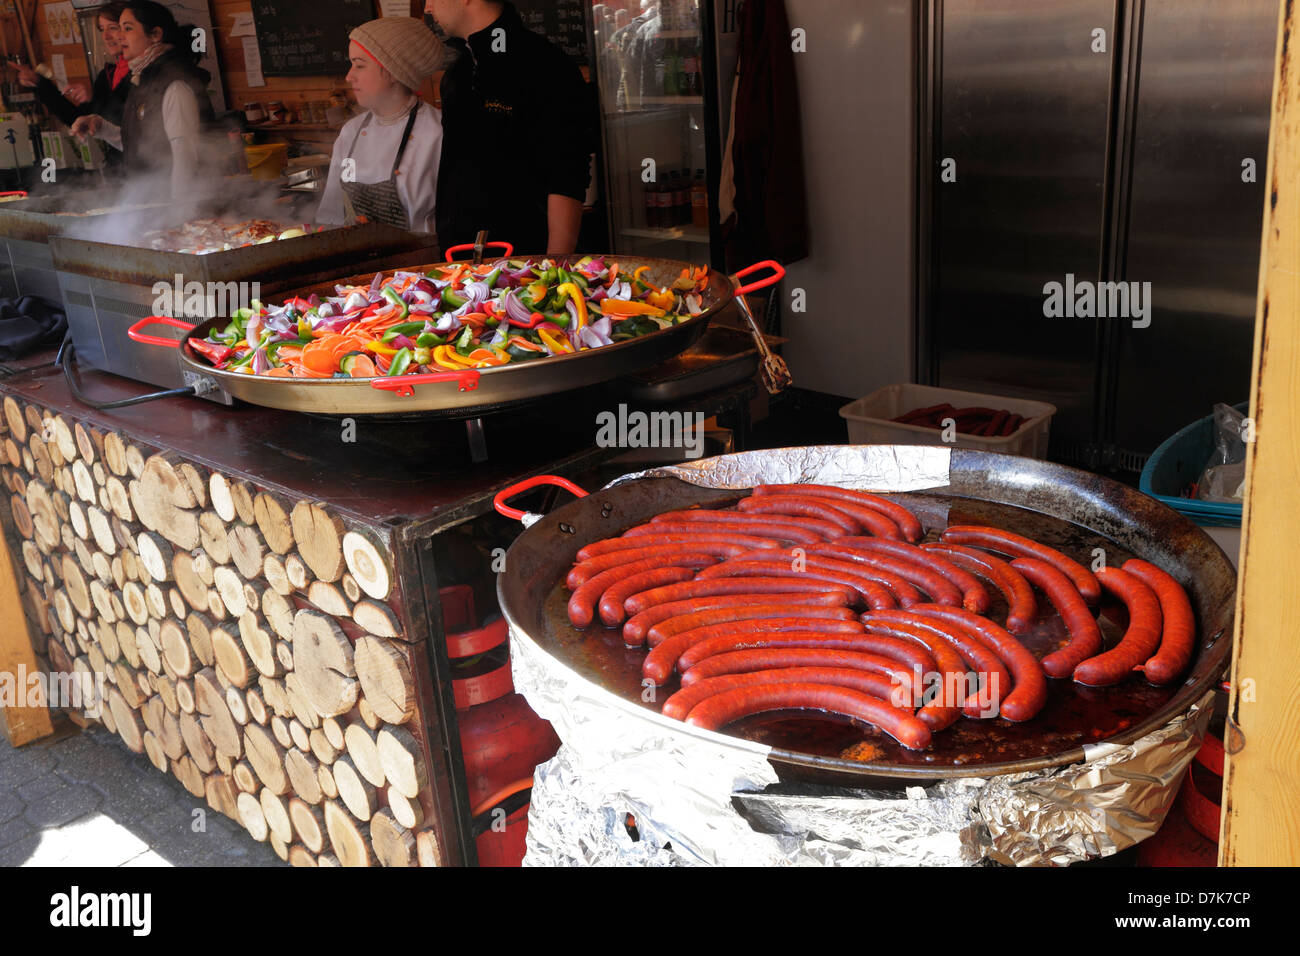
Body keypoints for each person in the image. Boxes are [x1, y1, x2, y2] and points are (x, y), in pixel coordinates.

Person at [426, 0, 594, 254]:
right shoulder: (456, 75)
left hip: (525, 263)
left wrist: (555, 265)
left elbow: (567, 174)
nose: (427, 7)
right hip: (461, 263)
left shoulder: (545, 66)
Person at [70, 1, 214, 200]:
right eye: (119, 28)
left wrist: (179, 215)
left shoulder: (174, 83)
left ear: (155, 34)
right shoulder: (144, 77)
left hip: (177, 207)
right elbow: (144, 145)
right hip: (152, 203)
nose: (120, 36)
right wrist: (102, 127)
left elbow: (185, 155)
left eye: (127, 28)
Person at [316, 18, 444, 233]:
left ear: (394, 72)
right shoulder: (351, 133)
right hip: (358, 257)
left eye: (359, 65)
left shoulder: (436, 133)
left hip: (421, 260)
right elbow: (333, 213)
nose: (349, 76)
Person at [7, 1, 130, 144]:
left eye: (113, 28)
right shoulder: (108, 74)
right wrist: (39, 82)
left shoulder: (144, 72)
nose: (105, 36)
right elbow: (76, 119)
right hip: (121, 163)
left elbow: (128, 123)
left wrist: (94, 100)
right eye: (102, 29)